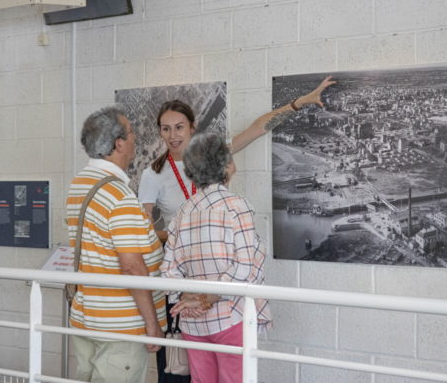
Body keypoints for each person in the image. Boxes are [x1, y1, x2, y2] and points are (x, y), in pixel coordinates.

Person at [138, 76, 335, 382]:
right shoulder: (153, 173)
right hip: (186, 277)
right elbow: (144, 231)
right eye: (165, 128)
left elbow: (258, 129)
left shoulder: (212, 157)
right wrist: (191, 234)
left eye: (178, 127)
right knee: (182, 369)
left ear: (192, 127)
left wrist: (300, 102)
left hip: (216, 276)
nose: (172, 135)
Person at [66, 105, 167, 383]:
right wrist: (151, 325)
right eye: (132, 132)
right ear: (119, 144)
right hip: (121, 326)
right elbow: (132, 267)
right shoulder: (118, 195)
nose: (136, 139)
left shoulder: (79, 184)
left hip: (87, 317)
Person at [161, 132, 271, 383]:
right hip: (230, 316)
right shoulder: (236, 206)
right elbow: (245, 266)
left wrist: (187, 299)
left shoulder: (183, 211)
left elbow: (168, 271)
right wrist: (205, 299)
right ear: (226, 165)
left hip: (192, 321)